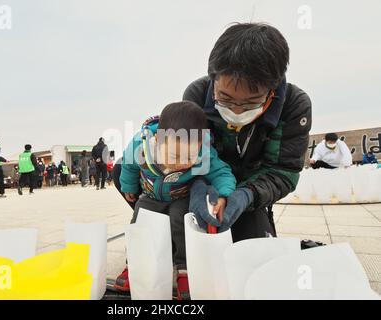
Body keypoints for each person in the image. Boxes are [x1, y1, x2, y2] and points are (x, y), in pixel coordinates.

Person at [112, 23, 312, 298]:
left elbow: (283, 171)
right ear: (213, 79)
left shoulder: (295, 106)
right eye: (226, 98)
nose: (236, 110)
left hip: (245, 189)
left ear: (272, 90)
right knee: (131, 179)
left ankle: (192, 254)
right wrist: (198, 188)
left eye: (251, 102)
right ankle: (161, 241)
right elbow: (185, 155)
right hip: (199, 184)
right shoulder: (196, 95)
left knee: (251, 262)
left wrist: (243, 196)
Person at [115, 101, 236, 299]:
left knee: (182, 223)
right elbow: (128, 166)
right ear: (158, 140)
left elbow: (222, 173)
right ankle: (135, 265)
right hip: (151, 196)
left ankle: (184, 270)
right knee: (140, 223)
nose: (180, 163)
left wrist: (224, 194)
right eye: (174, 155)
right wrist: (128, 187)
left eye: (189, 156)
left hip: (181, 196)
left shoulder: (204, 153)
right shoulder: (141, 146)